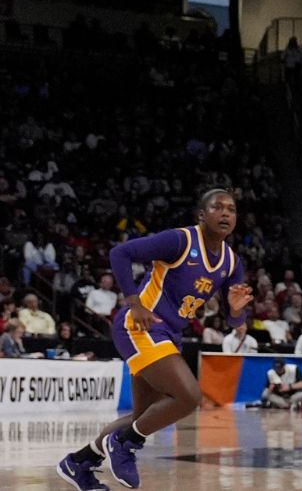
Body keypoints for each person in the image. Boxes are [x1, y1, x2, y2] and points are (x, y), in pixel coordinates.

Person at [57, 189, 252, 490]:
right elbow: (120, 253)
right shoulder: (180, 240)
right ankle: (125, 444)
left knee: (142, 416)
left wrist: (238, 313)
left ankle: (79, 463)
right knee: (189, 396)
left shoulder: (231, 262)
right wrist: (135, 303)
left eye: (232, 209)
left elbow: (232, 317)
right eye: (218, 207)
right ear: (202, 215)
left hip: (168, 335)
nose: (226, 213)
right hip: (139, 326)